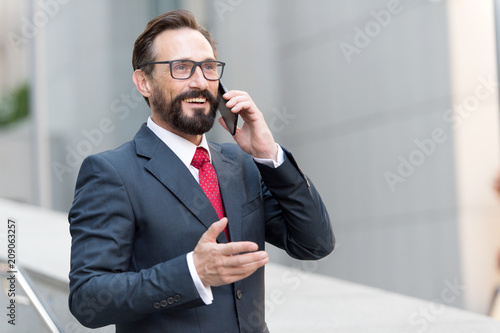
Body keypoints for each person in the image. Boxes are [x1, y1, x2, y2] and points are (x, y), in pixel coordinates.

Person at [68, 9, 334, 333]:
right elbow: (88, 299)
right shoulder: (111, 174)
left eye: (208, 68)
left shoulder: (243, 164)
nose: (200, 82)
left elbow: (314, 243)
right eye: (181, 67)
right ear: (144, 82)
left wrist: (269, 155)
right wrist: (193, 272)